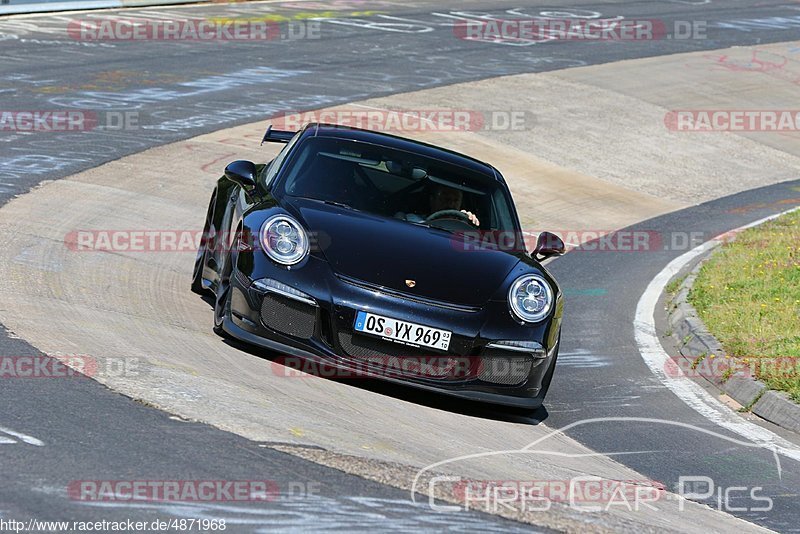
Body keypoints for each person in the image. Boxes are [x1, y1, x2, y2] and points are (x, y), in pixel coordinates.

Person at [398, 183, 480, 226]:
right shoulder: (411, 220)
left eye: (455, 200)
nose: (450, 204)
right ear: (432, 200)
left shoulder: (464, 227)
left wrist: (471, 223)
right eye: (445, 198)